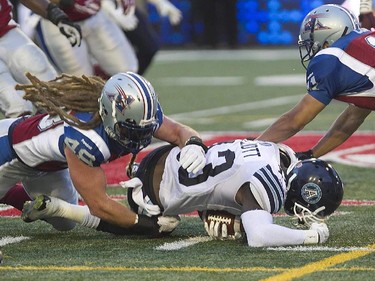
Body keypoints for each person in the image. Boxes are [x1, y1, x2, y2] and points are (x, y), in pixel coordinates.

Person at [22, 139, 344, 246]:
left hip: (168, 157)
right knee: (157, 228)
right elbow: (260, 235)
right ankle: (63, 209)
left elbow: (227, 180)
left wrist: (215, 211)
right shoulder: (268, 183)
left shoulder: (276, 152)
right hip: (155, 191)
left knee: (229, 218)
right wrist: (310, 237)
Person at [0, 71, 207, 236]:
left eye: (144, 130)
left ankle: (12, 196)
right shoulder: (87, 139)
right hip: (8, 153)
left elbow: (180, 132)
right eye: (129, 130)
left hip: (48, 165)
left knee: (64, 224)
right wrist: (143, 224)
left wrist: (194, 143)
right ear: (108, 114)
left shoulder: (140, 116)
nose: (139, 138)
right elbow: (99, 206)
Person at [256, 4, 375, 159]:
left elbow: (294, 120)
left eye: (311, 42)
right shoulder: (363, 42)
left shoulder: (332, 57)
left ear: (328, 37)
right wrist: (311, 155)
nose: (311, 49)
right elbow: (352, 117)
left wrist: (254, 147)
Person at [0, 0, 81, 117]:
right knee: (15, 104)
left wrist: (55, 14)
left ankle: (69, 130)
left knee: (52, 90)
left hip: (6, 29)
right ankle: (26, 132)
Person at [33, 0, 138, 76]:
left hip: (95, 16)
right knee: (82, 85)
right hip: (60, 24)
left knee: (128, 72)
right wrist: (67, 2)